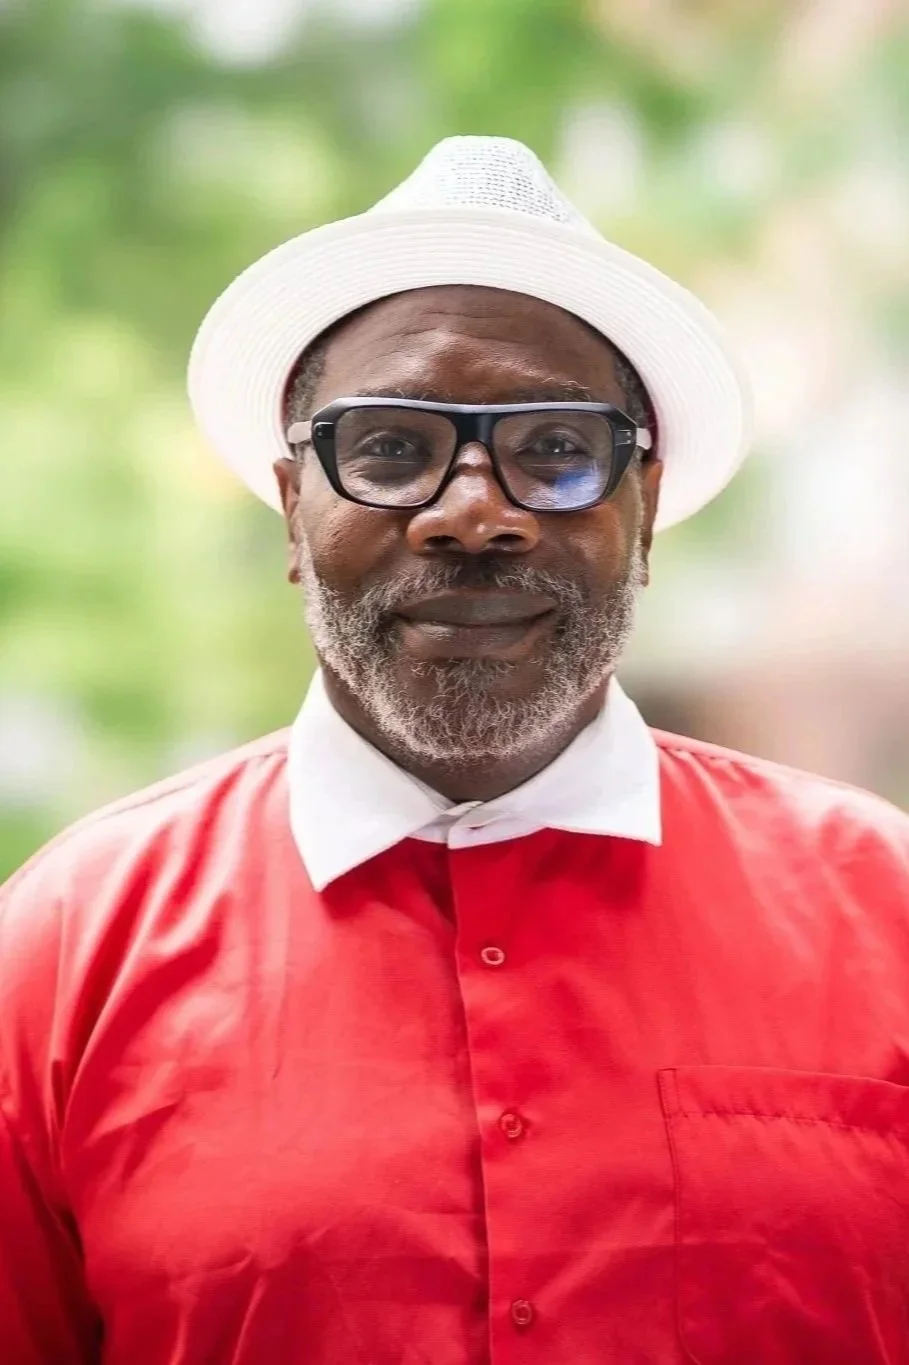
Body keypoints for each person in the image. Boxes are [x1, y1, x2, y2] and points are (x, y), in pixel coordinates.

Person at [2, 135, 908, 1365]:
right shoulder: (63, 953)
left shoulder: (883, 906)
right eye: (389, 449)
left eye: (554, 450)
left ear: (644, 510)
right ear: (293, 508)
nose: (474, 514)